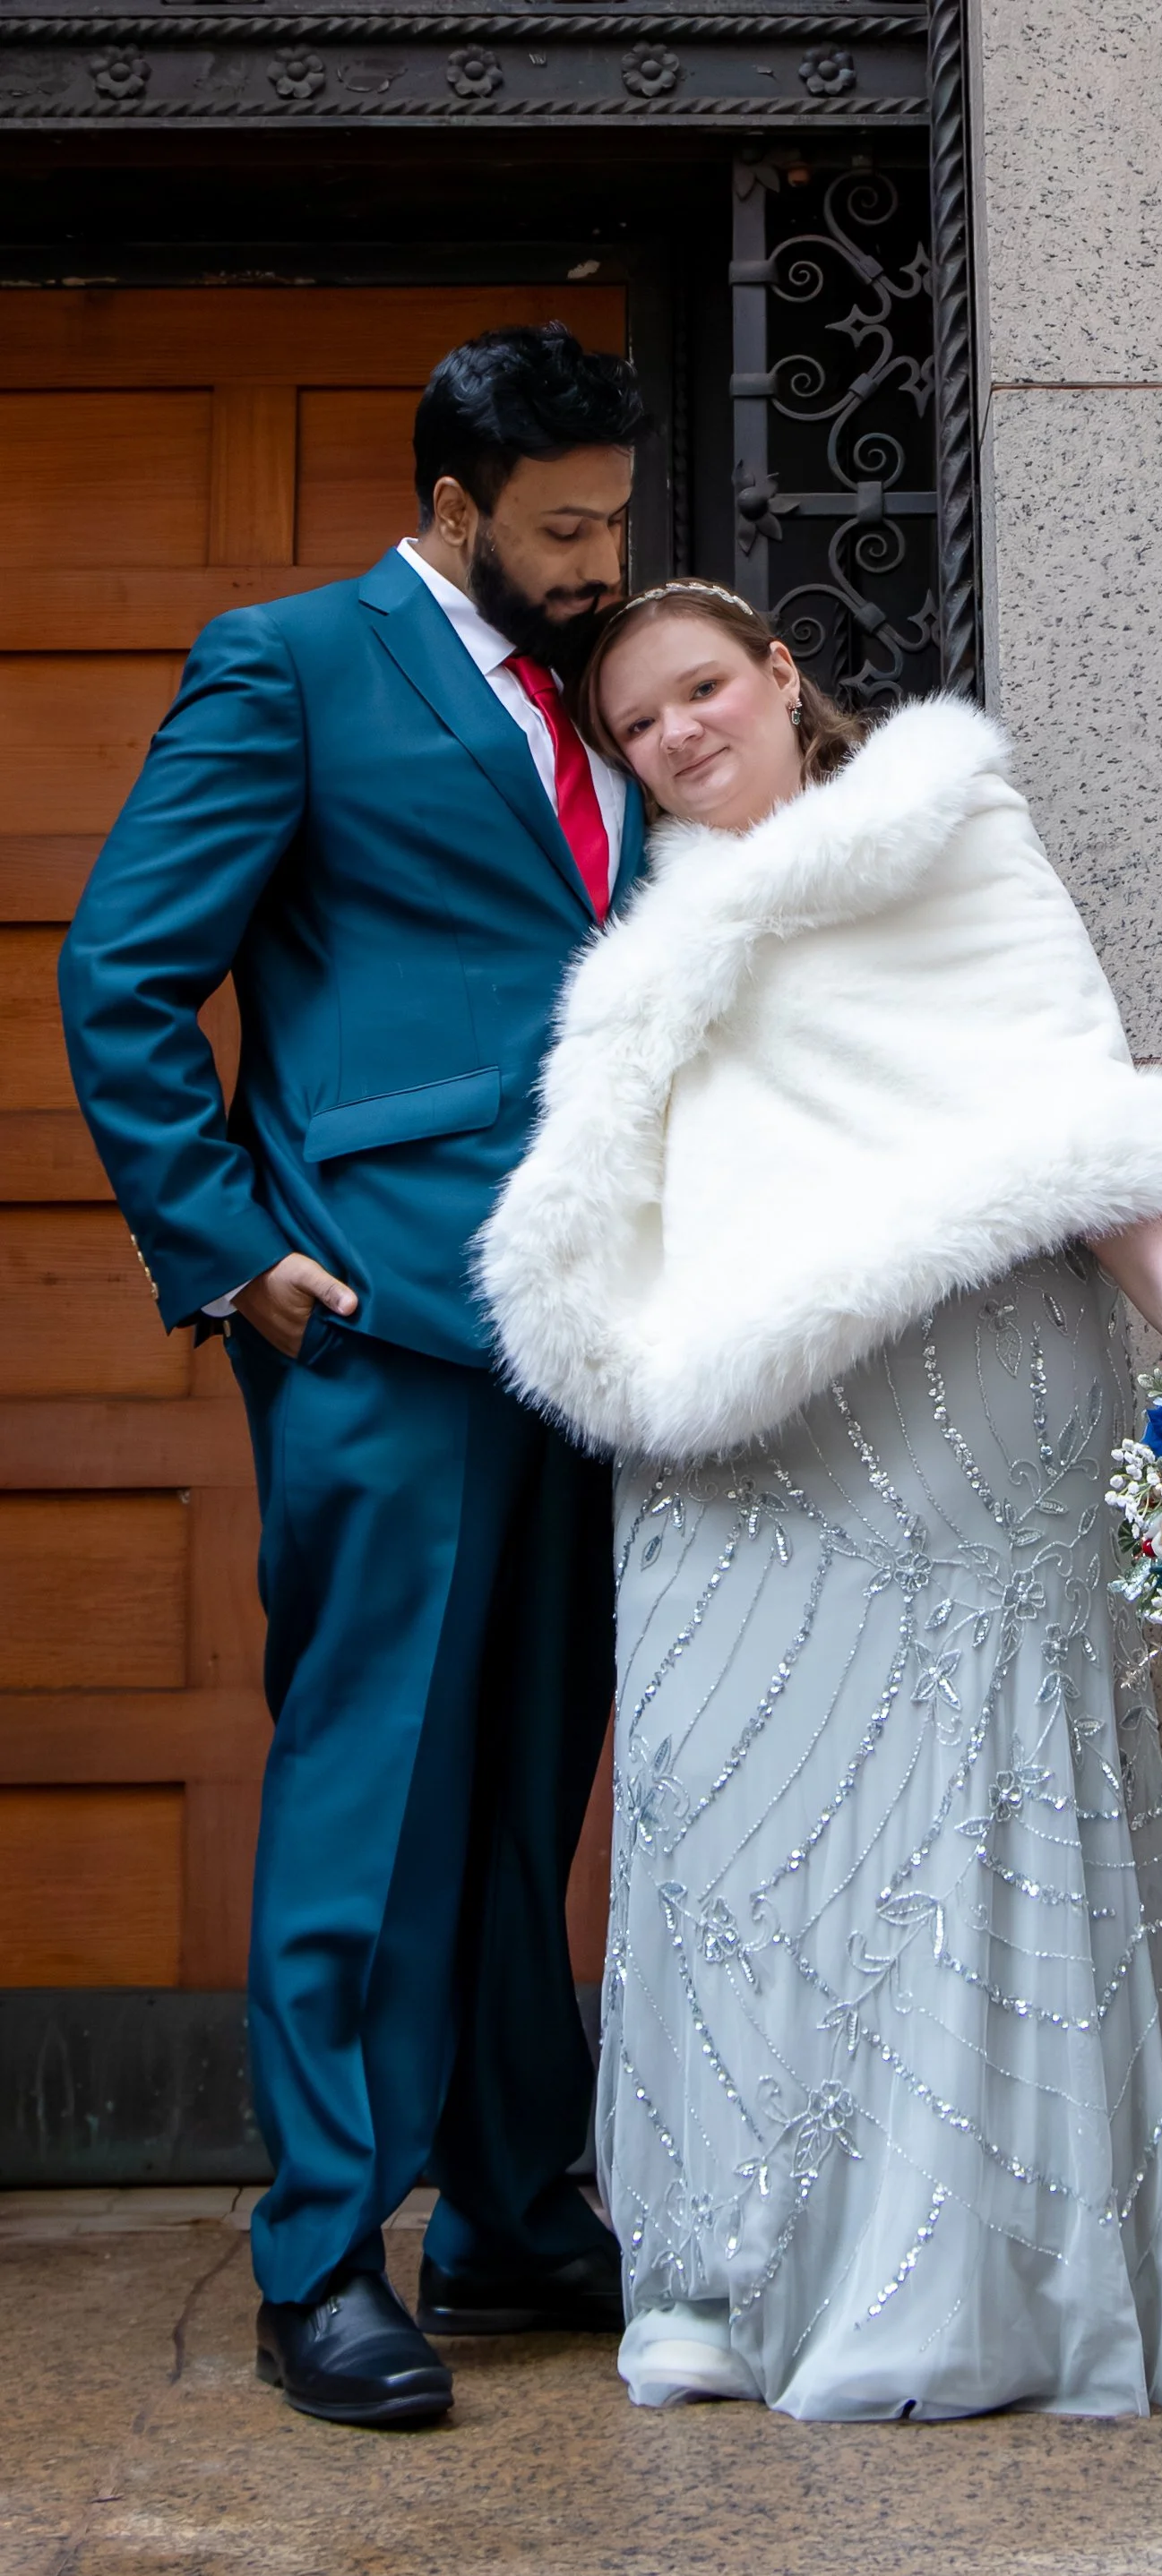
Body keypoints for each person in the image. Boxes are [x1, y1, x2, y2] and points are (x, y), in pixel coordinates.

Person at [479, 582, 1162, 2419]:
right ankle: (720, 2274)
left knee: (954, 1810)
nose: (674, 731)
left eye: (702, 687)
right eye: (635, 719)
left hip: (970, 1391)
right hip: (728, 1432)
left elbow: (1082, 1103)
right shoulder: (641, 930)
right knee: (720, 1815)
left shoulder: (947, 831)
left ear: (780, 675)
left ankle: (987, 2284)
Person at [58, 324, 650, 2427]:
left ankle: (508, 2206)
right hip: (379, 1319)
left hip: (589, 1335)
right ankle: (321, 2249)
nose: (598, 563)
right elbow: (124, 970)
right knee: (368, 1782)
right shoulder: (288, 661)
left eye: (614, 520)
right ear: (448, 510)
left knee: (527, 1779)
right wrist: (231, 1258)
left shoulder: (604, 690)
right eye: (560, 528)